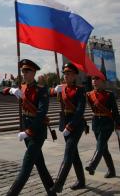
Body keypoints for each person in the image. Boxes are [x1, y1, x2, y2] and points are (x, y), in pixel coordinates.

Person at [2, 59, 55, 196]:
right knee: (40, 165)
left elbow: (42, 112)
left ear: (34, 72)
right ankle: (52, 192)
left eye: (27, 71)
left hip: (36, 132)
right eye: (23, 71)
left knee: (26, 166)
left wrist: (29, 131)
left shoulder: (41, 90)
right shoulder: (21, 87)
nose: (24, 73)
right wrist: (11, 90)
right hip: (26, 129)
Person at [49, 63, 86, 193]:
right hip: (64, 123)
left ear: (75, 75)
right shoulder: (62, 88)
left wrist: (70, 126)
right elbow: (45, 93)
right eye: (65, 73)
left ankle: (58, 183)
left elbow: (80, 110)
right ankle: (81, 181)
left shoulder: (80, 90)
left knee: (68, 152)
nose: (66, 75)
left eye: (69, 73)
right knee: (74, 154)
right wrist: (54, 90)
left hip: (76, 124)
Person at [85, 75, 120, 178]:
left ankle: (92, 165)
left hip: (107, 122)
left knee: (100, 144)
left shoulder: (109, 95)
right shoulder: (89, 94)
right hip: (96, 122)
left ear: (103, 81)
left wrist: (118, 124)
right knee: (104, 148)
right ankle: (112, 171)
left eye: (97, 79)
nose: (94, 81)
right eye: (93, 79)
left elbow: (115, 111)